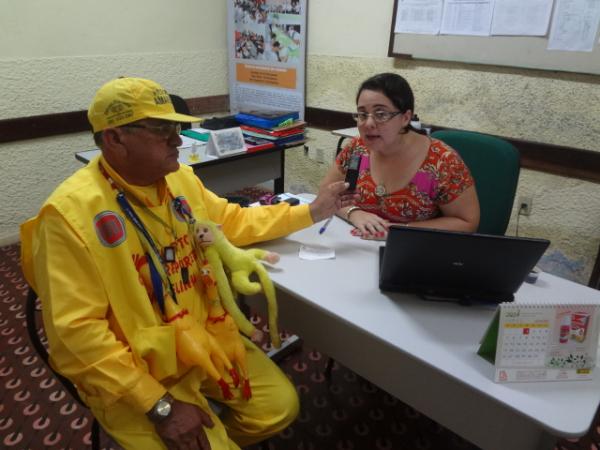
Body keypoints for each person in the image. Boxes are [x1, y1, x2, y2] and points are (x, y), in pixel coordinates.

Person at [20, 77, 354, 450]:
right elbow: (77, 336)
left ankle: (215, 434)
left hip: (202, 339)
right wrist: (157, 406)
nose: (177, 141)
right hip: (136, 367)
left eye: (176, 128)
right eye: (162, 130)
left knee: (278, 408)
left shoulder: (179, 178)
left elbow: (232, 222)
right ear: (114, 139)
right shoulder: (69, 217)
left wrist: (310, 212)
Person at [320, 72, 480, 239]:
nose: (368, 124)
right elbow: (326, 193)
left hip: (412, 251)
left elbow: (466, 222)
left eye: (380, 114)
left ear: (405, 118)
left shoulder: (443, 161)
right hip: (358, 246)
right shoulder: (357, 149)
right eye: (362, 114)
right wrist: (354, 213)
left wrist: (400, 231)